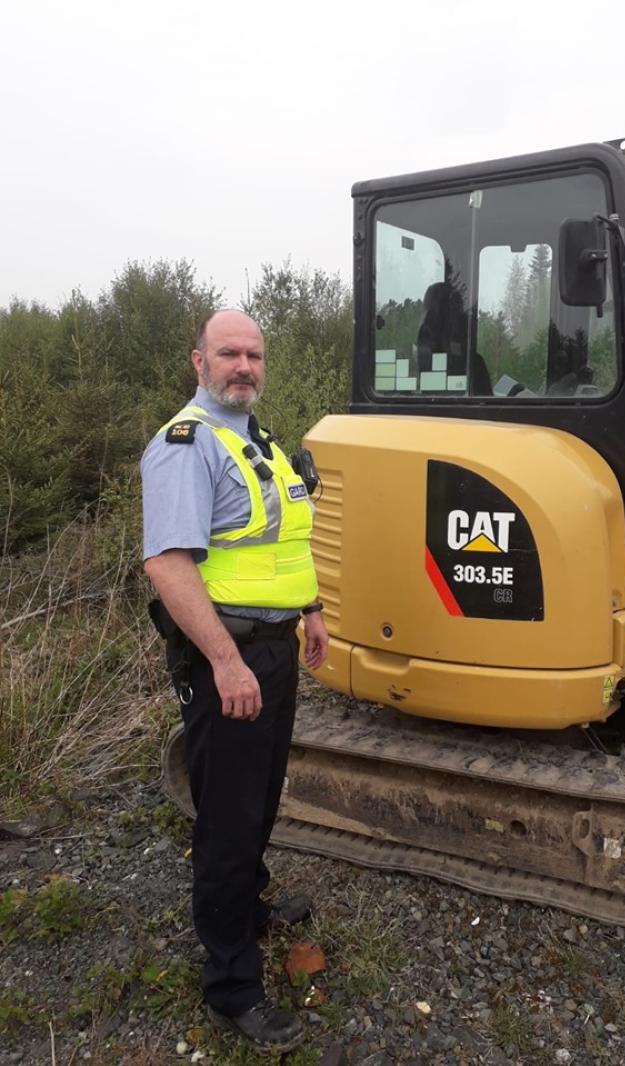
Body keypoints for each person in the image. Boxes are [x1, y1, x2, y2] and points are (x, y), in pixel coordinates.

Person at [140, 309, 328, 1054]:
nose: (243, 365)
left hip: (272, 650)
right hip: (228, 659)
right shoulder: (186, 446)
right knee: (227, 819)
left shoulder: (257, 439)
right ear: (199, 362)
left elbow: (281, 541)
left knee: (259, 799)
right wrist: (223, 660)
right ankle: (232, 989)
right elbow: (168, 564)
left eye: (253, 354)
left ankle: (248, 911)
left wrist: (310, 610)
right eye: (228, 354)